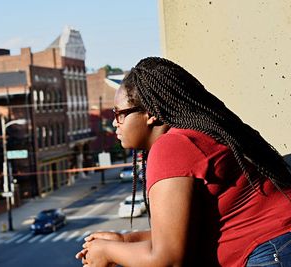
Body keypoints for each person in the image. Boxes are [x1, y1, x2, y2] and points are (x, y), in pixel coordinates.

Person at [75, 57, 291, 266]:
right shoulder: (192, 135)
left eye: (119, 114)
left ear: (150, 114)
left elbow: (168, 259)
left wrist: (106, 252)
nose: (115, 123)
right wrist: (124, 242)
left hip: (271, 251)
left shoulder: (172, 147)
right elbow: (184, 234)